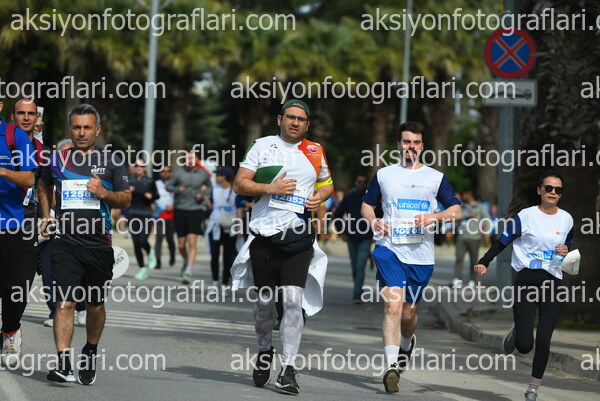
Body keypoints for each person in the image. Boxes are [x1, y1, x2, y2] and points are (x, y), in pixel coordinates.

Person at [231, 99, 333, 394]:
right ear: (280, 119)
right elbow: (240, 184)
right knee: (265, 304)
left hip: (298, 239)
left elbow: (327, 184)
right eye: (290, 117)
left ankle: (288, 369)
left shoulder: (315, 151)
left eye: (301, 119)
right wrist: (270, 188)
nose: (295, 122)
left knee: (292, 300)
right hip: (264, 238)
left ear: (307, 125)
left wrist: (320, 197)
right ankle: (265, 350)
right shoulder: (262, 146)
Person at [361, 121, 460, 393]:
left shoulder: (435, 178)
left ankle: (407, 343)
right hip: (389, 249)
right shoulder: (384, 175)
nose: (411, 147)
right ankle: (391, 367)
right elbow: (367, 205)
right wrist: (374, 221)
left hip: (421, 255)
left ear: (422, 146)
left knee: (408, 313)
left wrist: (433, 217)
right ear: (399, 145)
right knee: (392, 305)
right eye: (406, 142)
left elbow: (456, 211)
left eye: (416, 142)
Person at [38, 103, 131, 385]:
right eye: (76, 127)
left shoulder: (112, 161)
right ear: (70, 128)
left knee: (95, 305)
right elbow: (43, 185)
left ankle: (90, 350)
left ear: (97, 130)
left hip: (99, 245)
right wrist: (46, 215)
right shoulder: (57, 160)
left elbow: (126, 199)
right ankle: (64, 363)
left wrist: (104, 192)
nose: (81, 133)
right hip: (65, 242)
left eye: (87, 128)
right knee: (64, 302)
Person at [474, 171, 573, 401]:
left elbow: (569, 243)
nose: (553, 193)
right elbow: (503, 240)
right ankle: (518, 331)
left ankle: (533, 389)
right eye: (548, 188)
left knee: (544, 340)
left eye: (558, 190)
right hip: (527, 280)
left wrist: (566, 249)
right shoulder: (525, 216)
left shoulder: (567, 219)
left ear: (561, 194)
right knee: (525, 345)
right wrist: (485, 261)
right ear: (539, 190)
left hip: (553, 281)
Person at [0, 97, 36, 367]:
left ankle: (10, 332)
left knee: (10, 287)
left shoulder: (15, 136)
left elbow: (29, 178)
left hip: (9, 224)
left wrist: (2, 171)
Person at [38, 138, 88, 327]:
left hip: (76, 232)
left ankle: (81, 307)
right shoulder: (50, 170)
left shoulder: (82, 175)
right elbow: (43, 192)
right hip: (50, 232)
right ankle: (55, 313)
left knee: (77, 273)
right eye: (64, 153)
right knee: (48, 274)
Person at [166, 151, 211, 284]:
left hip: (195, 210)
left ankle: (188, 271)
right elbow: (168, 186)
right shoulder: (179, 173)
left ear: (197, 159)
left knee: (192, 241)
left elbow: (210, 187)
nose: (189, 160)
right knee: (181, 244)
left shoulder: (203, 174)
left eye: (192, 158)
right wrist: (177, 189)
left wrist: (202, 194)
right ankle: (186, 260)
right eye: (187, 158)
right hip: (180, 210)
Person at [333, 174, 379, 303]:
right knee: (354, 266)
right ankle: (358, 288)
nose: (361, 184)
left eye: (364, 182)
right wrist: (342, 232)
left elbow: (380, 215)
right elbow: (337, 214)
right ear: (355, 183)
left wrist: (376, 232)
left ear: (367, 184)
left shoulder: (371, 198)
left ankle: (357, 294)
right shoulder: (349, 197)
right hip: (351, 236)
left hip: (366, 237)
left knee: (360, 265)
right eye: (359, 182)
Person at [205, 167, 240, 290]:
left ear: (224, 176)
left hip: (230, 227)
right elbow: (211, 206)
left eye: (219, 175)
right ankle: (215, 281)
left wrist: (239, 226)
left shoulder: (235, 190)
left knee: (227, 256)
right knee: (214, 255)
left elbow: (239, 208)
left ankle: (224, 283)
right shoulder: (215, 189)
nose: (217, 177)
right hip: (215, 224)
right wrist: (205, 198)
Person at [452, 189, 490, 288]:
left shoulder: (479, 207)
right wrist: (468, 215)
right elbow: (457, 216)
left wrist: (487, 234)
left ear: (469, 194)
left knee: (474, 261)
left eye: (464, 194)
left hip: (474, 237)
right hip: (461, 237)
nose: (462, 196)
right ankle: (457, 279)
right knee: (459, 258)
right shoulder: (462, 206)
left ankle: (472, 280)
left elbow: (487, 219)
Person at [129, 159, 159, 280]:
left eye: (141, 166)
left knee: (142, 241)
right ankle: (142, 269)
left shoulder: (150, 181)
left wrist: (151, 197)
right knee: (136, 243)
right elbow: (122, 196)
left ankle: (150, 252)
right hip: (132, 214)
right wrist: (128, 192)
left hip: (145, 214)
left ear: (145, 168)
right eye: (136, 165)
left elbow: (157, 195)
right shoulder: (130, 181)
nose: (139, 168)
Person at [154, 165, 176, 269]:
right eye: (163, 171)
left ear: (171, 173)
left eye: (168, 171)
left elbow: (179, 198)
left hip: (172, 215)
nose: (165, 173)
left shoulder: (175, 183)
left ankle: (172, 256)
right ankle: (158, 261)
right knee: (159, 239)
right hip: (160, 214)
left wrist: (173, 206)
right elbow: (153, 197)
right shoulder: (156, 183)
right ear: (160, 173)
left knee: (170, 239)